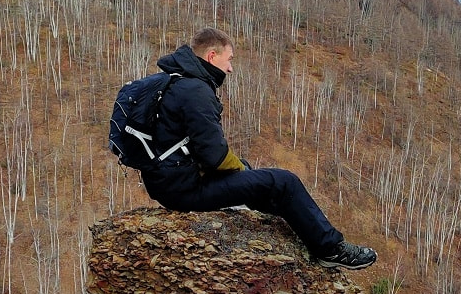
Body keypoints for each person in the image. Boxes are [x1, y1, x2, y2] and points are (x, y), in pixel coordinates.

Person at [135, 27, 377, 270]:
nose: (230, 68)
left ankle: (290, 223)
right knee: (284, 182)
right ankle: (330, 249)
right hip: (184, 190)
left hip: (167, 183)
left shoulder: (174, 82)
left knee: (252, 175)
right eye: (228, 59)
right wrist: (239, 168)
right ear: (211, 56)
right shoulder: (196, 92)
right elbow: (215, 157)